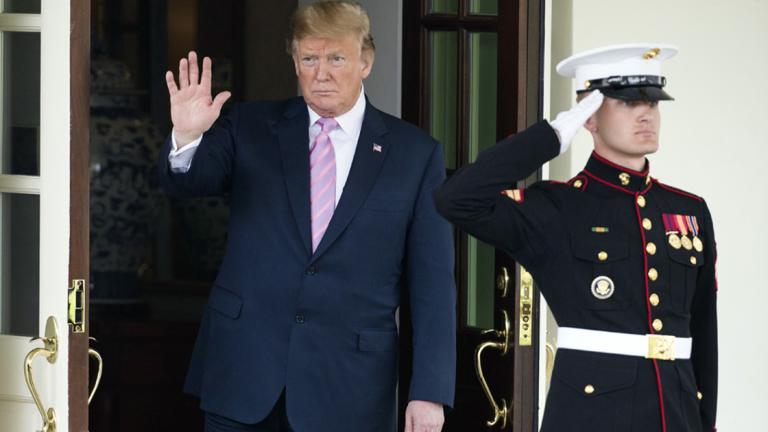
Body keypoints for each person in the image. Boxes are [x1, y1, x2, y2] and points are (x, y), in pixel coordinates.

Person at [158, 2, 455, 431]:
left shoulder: (414, 155)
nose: (322, 73)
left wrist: (429, 391)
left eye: (336, 58)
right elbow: (184, 184)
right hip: (244, 378)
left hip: (348, 390)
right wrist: (187, 136)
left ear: (365, 61)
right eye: (309, 58)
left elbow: (432, 284)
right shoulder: (249, 126)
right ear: (295, 61)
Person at [434, 44, 717, 431]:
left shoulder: (688, 211)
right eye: (627, 102)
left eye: (653, 102)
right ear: (589, 117)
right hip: (592, 414)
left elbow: (702, 330)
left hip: (676, 411)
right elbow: (456, 199)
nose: (646, 113)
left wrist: (704, 422)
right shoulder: (558, 208)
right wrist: (550, 137)